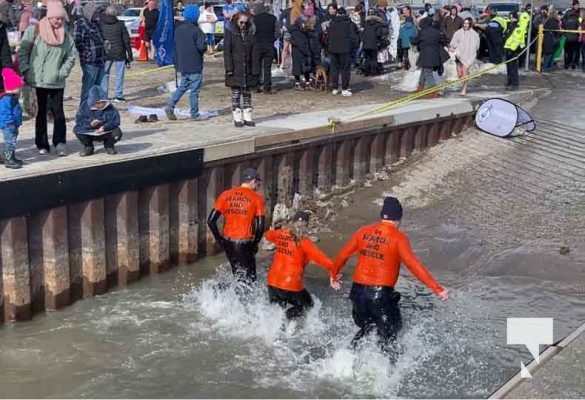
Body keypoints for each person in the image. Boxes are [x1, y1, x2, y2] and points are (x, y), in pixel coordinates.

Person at [333, 197, 449, 354]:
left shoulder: (363, 232)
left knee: (368, 327)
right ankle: (389, 373)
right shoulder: (398, 238)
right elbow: (413, 265)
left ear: (382, 215)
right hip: (380, 295)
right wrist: (437, 288)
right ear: (399, 218)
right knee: (391, 332)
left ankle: (345, 360)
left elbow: (342, 256)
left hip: (357, 293)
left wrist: (333, 275)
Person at [19, 0, 76, 156]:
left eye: (61, 19)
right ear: (49, 16)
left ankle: (60, 142)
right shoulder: (34, 30)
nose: (59, 21)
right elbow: (23, 51)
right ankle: (42, 143)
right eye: (56, 18)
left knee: (58, 112)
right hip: (37, 79)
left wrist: (62, 72)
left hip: (56, 81)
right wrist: (26, 69)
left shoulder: (65, 36)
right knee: (41, 112)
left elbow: (71, 56)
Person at [265, 211, 340, 321]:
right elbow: (327, 262)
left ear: (292, 222)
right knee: (308, 305)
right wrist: (333, 275)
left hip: (272, 282)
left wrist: (273, 229)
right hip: (290, 284)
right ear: (306, 226)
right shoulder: (305, 242)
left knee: (276, 311)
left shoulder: (280, 234)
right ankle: (289, 327)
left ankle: (274, 330)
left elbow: (268, 235)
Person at [207, 167, 266, 283]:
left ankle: (227, 299)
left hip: (228, 242)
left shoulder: (225, 195)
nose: (258, 186)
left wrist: (220, 240)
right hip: (244, 243)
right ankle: (247, 301)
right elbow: (260, 226)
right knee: (250, 278)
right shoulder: (256, 198)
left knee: (237, 274)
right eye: (258, 183)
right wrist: (255, 243)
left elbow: (210, 221)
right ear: (253, 181)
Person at [164, 5, 207, 122]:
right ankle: (194, 114)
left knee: (182, 86)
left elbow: (175, 48)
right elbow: (201, 47)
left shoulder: (179, 30)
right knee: (194, 90)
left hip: (182, 63)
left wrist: (176, 63)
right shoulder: (197, 30)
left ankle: (170, 105)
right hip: (195, 64)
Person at [224, 11, 257, 127]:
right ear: (236, 22)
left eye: (245, 23)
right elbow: (227, 52)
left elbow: (254, 52)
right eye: (241, 22)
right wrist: (229, 68)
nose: (243, 25)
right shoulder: (231, 33)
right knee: (236, 93)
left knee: (247, 92)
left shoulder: (250, 34)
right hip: (235, 67)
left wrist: (255, 69)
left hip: (247, 67)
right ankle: (237, 117)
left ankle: (248, 116)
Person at [74, 1, 105, 122]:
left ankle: (95, 114)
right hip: (89, 62)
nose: (98, 14)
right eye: (96, 12)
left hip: (100, 61)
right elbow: (77, 41)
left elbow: (100, 38)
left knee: (98, 91)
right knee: (87, 91)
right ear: (90, 12)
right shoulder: (80, 24)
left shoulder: (96, 24)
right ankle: (82, 115)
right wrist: (86, 53)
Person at [73, 85, 122, 156]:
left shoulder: (110, 107)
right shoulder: (85, 106)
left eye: (102, 102)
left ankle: (109, 145)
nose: (100, 104)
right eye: (98, 103)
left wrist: (104, 127)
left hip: (105, 131)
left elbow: (115, 121)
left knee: (117, 132)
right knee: (77, 129)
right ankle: (88, 146)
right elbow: (80, 120)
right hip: (90, 131)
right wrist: (90, 124)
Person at [100, 5, 133, 102]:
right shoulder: (120, 24)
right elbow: (126, 40)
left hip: (106, 52)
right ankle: (119, 94)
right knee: (119, 74)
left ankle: (103, 95)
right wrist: (129, 55)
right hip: (120, 52)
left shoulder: (101, 24)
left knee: (104, 74)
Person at [411, 16, 449, 97]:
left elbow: (415, 41)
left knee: (428, 73)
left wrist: (411, 38)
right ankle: (420, 87)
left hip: (426, 55)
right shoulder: (437, 31)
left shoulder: (423, 32)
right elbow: (443, 41)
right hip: (435, 55)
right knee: (424, 71)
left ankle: (433, 91)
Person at [327, 7, 357, 96]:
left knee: (334, 69)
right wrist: (353, 47)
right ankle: (344, 88)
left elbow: (329, 36)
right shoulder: (348, 23)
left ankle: (335, 88)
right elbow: (353, 37)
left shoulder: (332, 22)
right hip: (345, 49)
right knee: (345, 69)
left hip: (333, 49)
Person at [251, 2, 279, 94]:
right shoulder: (273, 18)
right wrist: (272, 39)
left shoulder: (254, 19)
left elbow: (252, 31)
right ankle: (267, 88)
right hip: (269, 44)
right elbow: (277, 32)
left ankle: (256, 86)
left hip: (257, 44)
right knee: (267, 67)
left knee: (256, 66)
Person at [0, 67, 24, 169]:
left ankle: (12, 157)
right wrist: (10, 123)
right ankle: (9, 159)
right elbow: (5, 113)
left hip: (13, 124)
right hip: (9, 125)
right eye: (18, 87)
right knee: (10, 142)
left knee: (12, 142)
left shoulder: (12, 97)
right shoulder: (6, 99)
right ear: (12, 87)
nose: (20, 89)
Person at [450, 17, 480, 96]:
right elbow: (453, 41)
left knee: (464, 73)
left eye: (467, 23)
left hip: (469, 56)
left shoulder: (474, 35)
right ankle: (466, 76)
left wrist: (472, 55)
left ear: (470, 24)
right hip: (459, 55)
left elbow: (476, 46)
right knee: (460, 74)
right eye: (464, 23)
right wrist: (453, 47)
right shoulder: (458, 32)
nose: (465, 25)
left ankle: (464, 90)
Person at [503, 10, 526, 90]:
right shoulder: (510, 25)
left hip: (514, 50)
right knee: (508, 67)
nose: (509, 18)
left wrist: (512, 50)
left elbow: (517, 40)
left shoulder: (518, 27)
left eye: (510, 16)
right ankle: (509, 82)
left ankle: (514, 83)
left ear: (512, 16)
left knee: (513, 67)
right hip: (508, 49)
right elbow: (507, 36)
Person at [361, 8, 385, 76]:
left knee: (367, 58)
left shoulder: (366, 23)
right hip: (374, 43)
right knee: (373, 58)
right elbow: (379, 34)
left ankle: (366, 72)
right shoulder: (378, 24)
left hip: (366, 43)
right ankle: (373, 72)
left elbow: (362, 33)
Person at [562, 0, 580, 69]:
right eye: (576, 5)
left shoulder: (568, 13)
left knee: (571, 51)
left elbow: (563, 23)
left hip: (570, 36)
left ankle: (570, 64)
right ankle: (570, 64)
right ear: (573, 6)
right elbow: (580, 24)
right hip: (574, 36)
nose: (577, 6)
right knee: (571, 51)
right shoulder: (575, 14)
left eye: (578, 5)